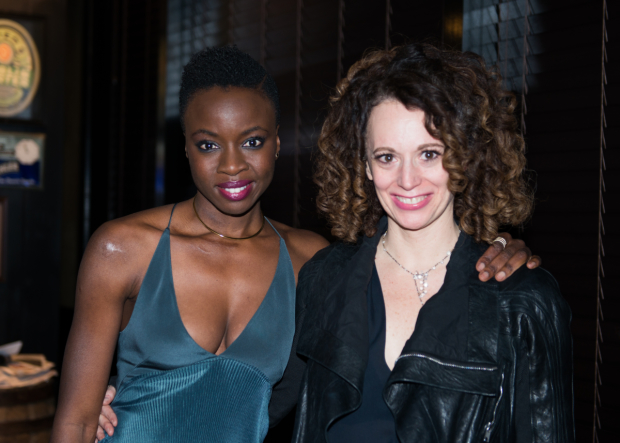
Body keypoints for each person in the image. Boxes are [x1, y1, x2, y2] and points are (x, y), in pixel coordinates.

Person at [83, 46, 540, 443]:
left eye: (429, 153)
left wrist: (496, 245)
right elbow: (75, 425)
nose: (232, 165)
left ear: (277, 144)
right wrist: (118, 400)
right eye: (386, 156)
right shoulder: (124, 248)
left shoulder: (314, 263)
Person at [281, 43, 574, 442]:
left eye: (429, 154)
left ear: (465, 156)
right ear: (364, 164)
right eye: (387, 157)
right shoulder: (322, 279)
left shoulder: (524, 301)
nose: (406, 179)